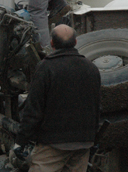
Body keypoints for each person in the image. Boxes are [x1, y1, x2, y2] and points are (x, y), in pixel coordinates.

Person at [14, 24, 101, 172]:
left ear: (52, 43)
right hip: (83, 143)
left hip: (53, 145)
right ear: (75, 42)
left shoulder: (46, 68)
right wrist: (93, 139)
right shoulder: (91, 68)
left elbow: (33, 109)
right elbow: (97, 107)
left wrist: (20, 141)